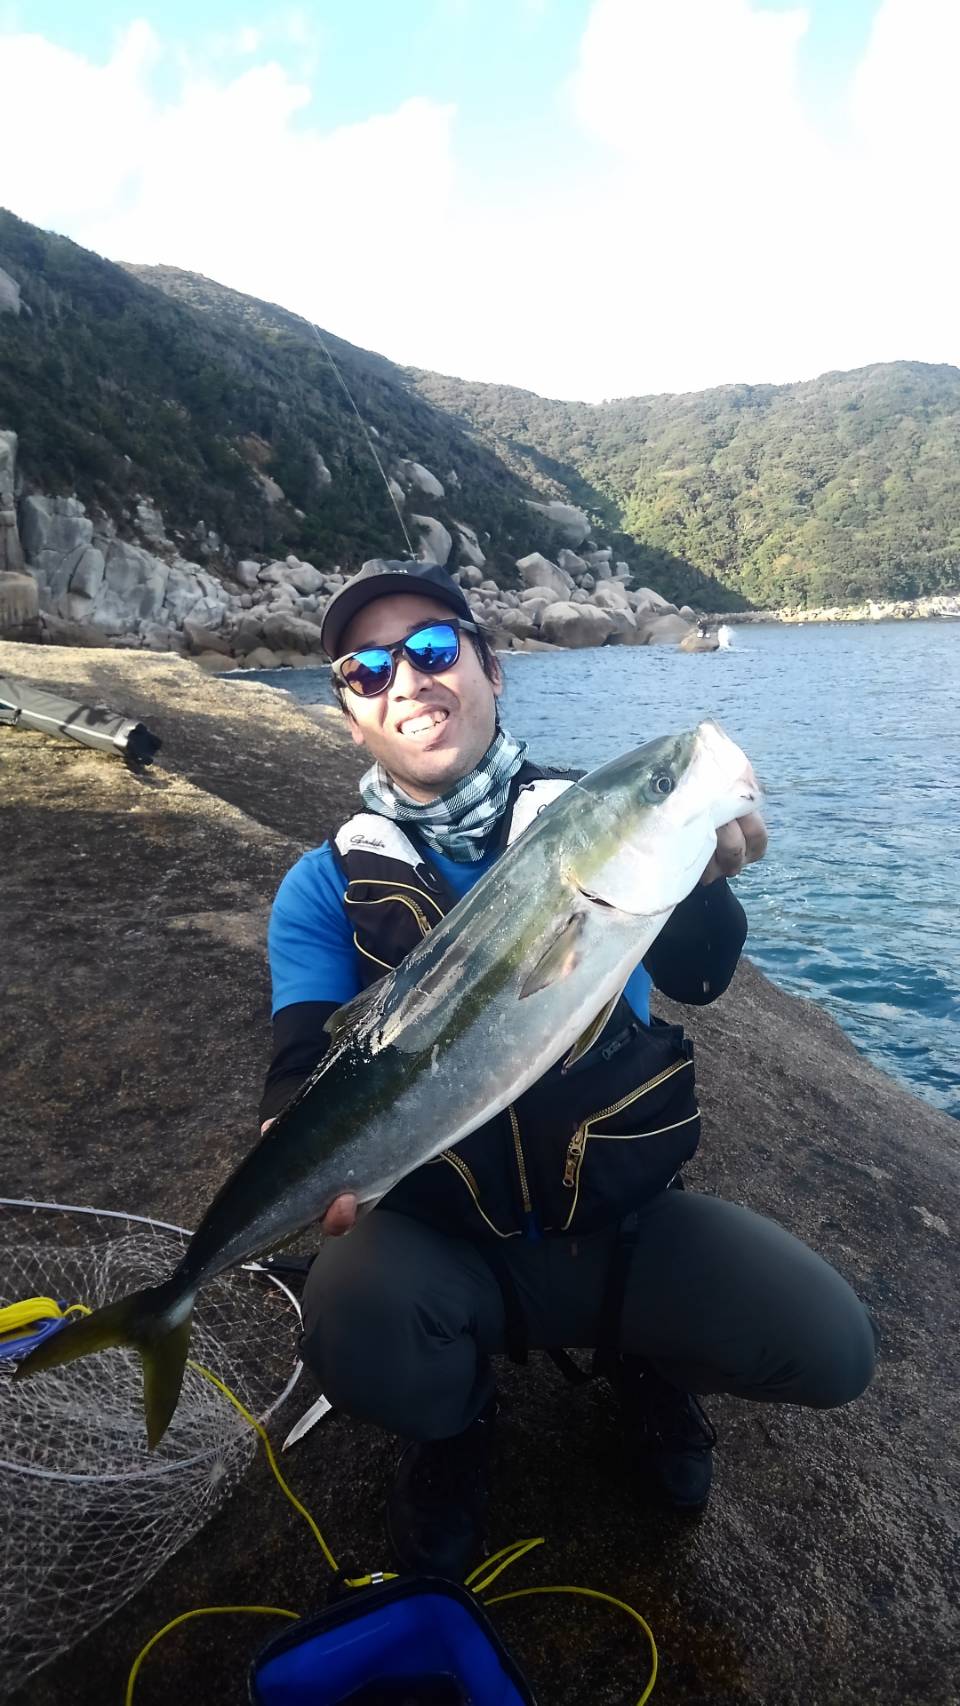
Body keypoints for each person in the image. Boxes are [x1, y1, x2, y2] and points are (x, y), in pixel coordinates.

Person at [260, 559, 876, 1579]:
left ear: (491, 668)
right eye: (367, 670)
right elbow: (299, 1072)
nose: (405, 681)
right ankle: (454, 1427)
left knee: (830, 1344)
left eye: (428, 649)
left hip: (620, 1227)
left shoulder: (593, 818)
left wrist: (703, 874)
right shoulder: (324, 887)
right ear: (349, 716)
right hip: (443, 1238)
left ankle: (646, 1358)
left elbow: (703, 972)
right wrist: (292, 1145)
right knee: (350, 1315)